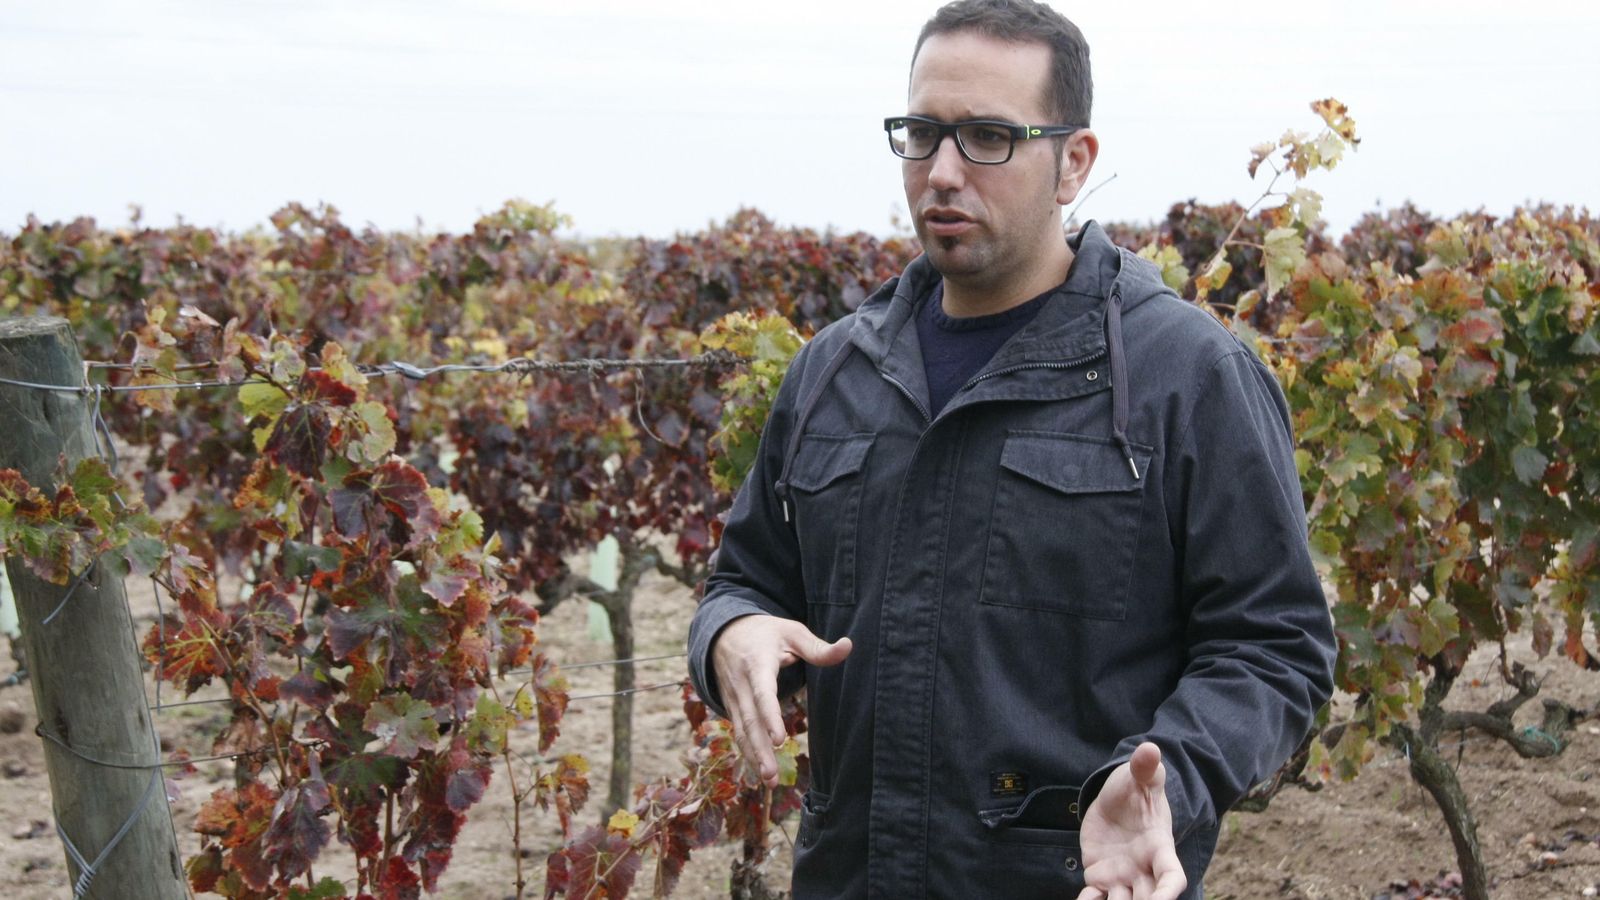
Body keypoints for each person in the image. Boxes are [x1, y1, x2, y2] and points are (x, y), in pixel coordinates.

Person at [687, 1, 1337, 896]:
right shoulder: (833, 372)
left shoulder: (1186, 378)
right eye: (922, 134)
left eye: (988, 136)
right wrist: (731, 631)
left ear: (1074, 162)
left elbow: (1277, 643)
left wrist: (1170, 777)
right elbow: (746, 578)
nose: (943, 172)